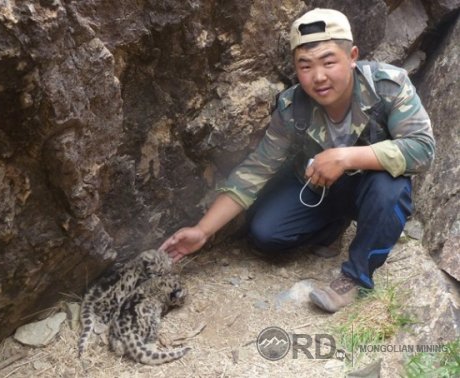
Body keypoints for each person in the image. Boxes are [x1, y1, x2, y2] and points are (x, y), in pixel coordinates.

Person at [160, 8, 435, 313]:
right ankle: (333, 228)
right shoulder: (293, 107)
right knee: (266, 233)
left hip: (371, 186)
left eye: (329, 62)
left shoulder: (388, 86)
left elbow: (422, 149)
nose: (318, 77)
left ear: (352, 55)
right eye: (305, 66)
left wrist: (344, 157)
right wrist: (202, 230)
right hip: (319, 189)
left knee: (390, 187)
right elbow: (256, 170)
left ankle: (355, 276)